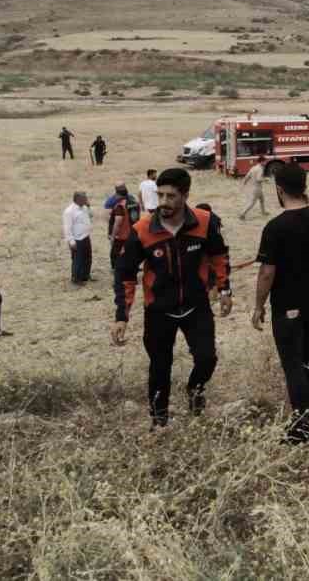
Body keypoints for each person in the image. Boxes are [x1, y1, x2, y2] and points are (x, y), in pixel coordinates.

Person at [110, 168, 231, 427]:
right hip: (158, 310)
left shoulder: (205, 221)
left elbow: (219, 255)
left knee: (207, 358)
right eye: (160, 195)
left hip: (196, 306)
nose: (163, 202)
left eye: (170, 196)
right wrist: (122, 315)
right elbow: (125, 272)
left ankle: (195, 389)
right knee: (160, 367)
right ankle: (159, 421)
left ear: (185, 195)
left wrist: (224, 289)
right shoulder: (142, 229)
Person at [251, 162, 309, 443]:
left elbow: (267, 272)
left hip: (288, 300)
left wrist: (258, 305)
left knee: (292, 361)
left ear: (279, 190)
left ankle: (301, 427)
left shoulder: (275, 227)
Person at [105, 185, 139, 290]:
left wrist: (113, 236)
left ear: (118, 194)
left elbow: (118, 222)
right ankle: (133, 279)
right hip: (133, 234)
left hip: (122, 237)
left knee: (117, 259)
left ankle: (118, 281)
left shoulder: (120, 205)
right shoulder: (134, 202)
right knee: (132, 258)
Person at [63, 192, 93, 286]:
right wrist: (71, 241)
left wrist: (88, 207)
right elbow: (67, 228)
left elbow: (91, 215)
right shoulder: (69, 211)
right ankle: (76, 278)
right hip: (77, 239)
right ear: (77, 199)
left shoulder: (84, 207)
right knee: (78, 259)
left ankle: (85, 275)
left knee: (87, 257)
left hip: (85, 236)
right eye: (84, 199)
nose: (86, 200)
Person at [239, 155, 271, 220]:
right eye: (265, 161)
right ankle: (242, 214)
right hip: (257, 188)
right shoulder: (260, 169)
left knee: (262, 200)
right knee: (252, 203)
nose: (265, 163)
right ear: (261, 161)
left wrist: (244, 183)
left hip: (254, 187)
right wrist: (265, 179)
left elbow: (247, 176)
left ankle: (263, 212)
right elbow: (258, 179)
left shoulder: (253, 168)